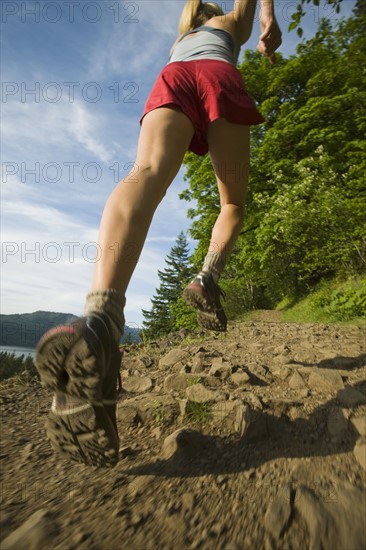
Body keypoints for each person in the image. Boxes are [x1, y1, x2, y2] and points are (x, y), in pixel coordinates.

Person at [35, 0, 282, 468]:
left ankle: (100, 321)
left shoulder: (180, 39)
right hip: (217, 77)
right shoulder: (231, 26)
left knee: (144, 172)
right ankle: (207, 277)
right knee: (232, 203)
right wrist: (268, 17)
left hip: (173, 78)